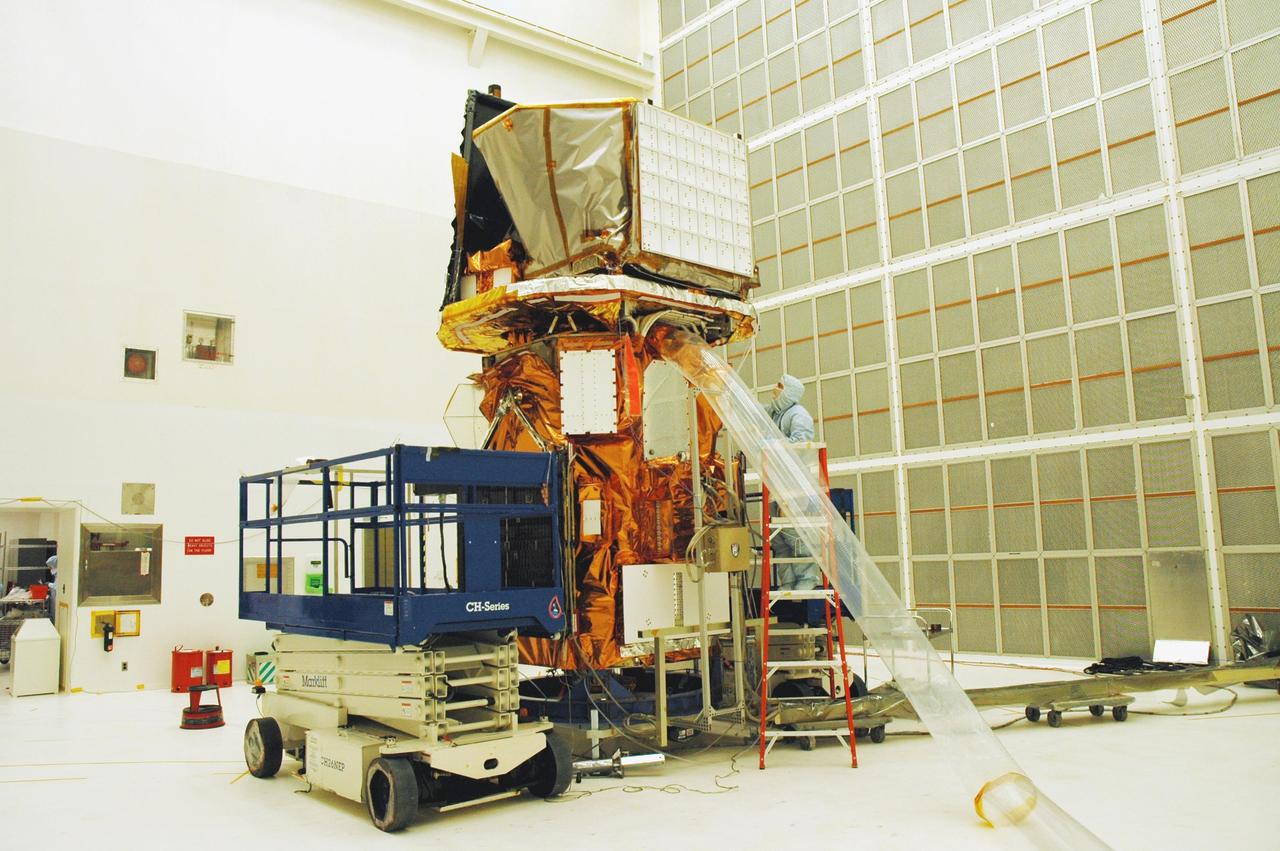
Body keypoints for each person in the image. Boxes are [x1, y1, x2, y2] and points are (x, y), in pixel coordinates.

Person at [763, 375, 820, 597]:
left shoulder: (798, 415)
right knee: (778, 537)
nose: (774, 388)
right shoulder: (778, 414)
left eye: (780, 386)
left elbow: (802, 442)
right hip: (778, 484)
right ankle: (788, 579)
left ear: (789, 392)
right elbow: (756, 412)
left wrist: (774, 445)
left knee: (795, 534)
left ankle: (807, 577)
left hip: (795, 485)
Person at [45, 554, 57, 623]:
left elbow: (58, 586)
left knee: (55, 613)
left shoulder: (60, 573)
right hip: (54, 596)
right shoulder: (56, 574)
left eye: (50, 566)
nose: (49, 568)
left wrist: (49, 584)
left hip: (57, 597)